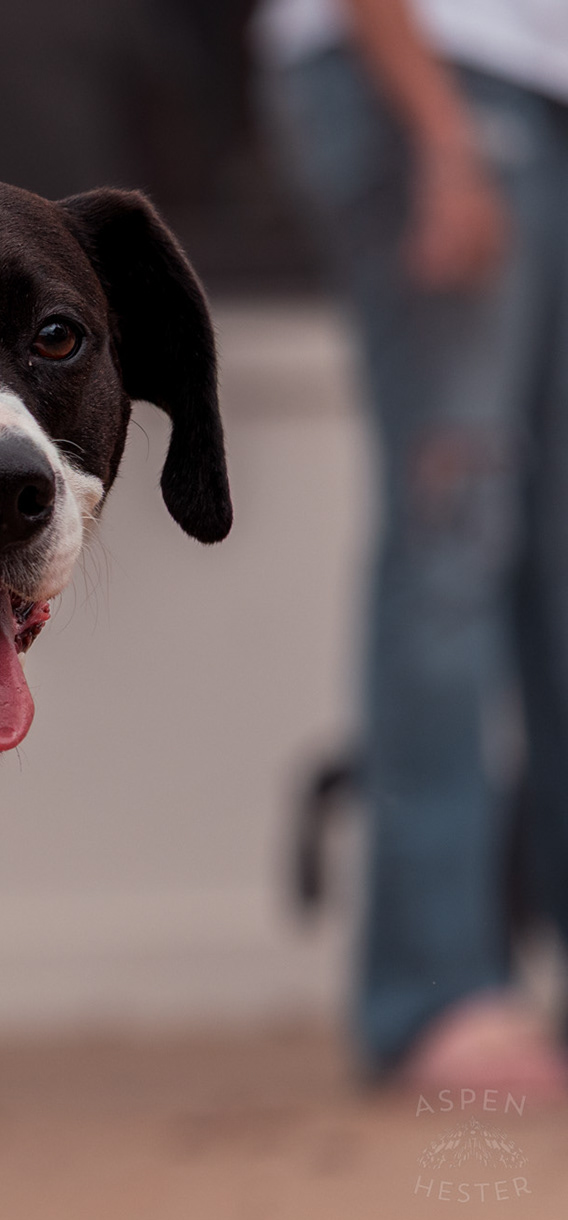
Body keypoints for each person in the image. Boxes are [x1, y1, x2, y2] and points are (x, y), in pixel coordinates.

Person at [260, 0, 568, 1094]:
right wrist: (440, 129)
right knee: (453, 545)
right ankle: (433, 991)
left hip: (530, 88)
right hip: (434, 76)